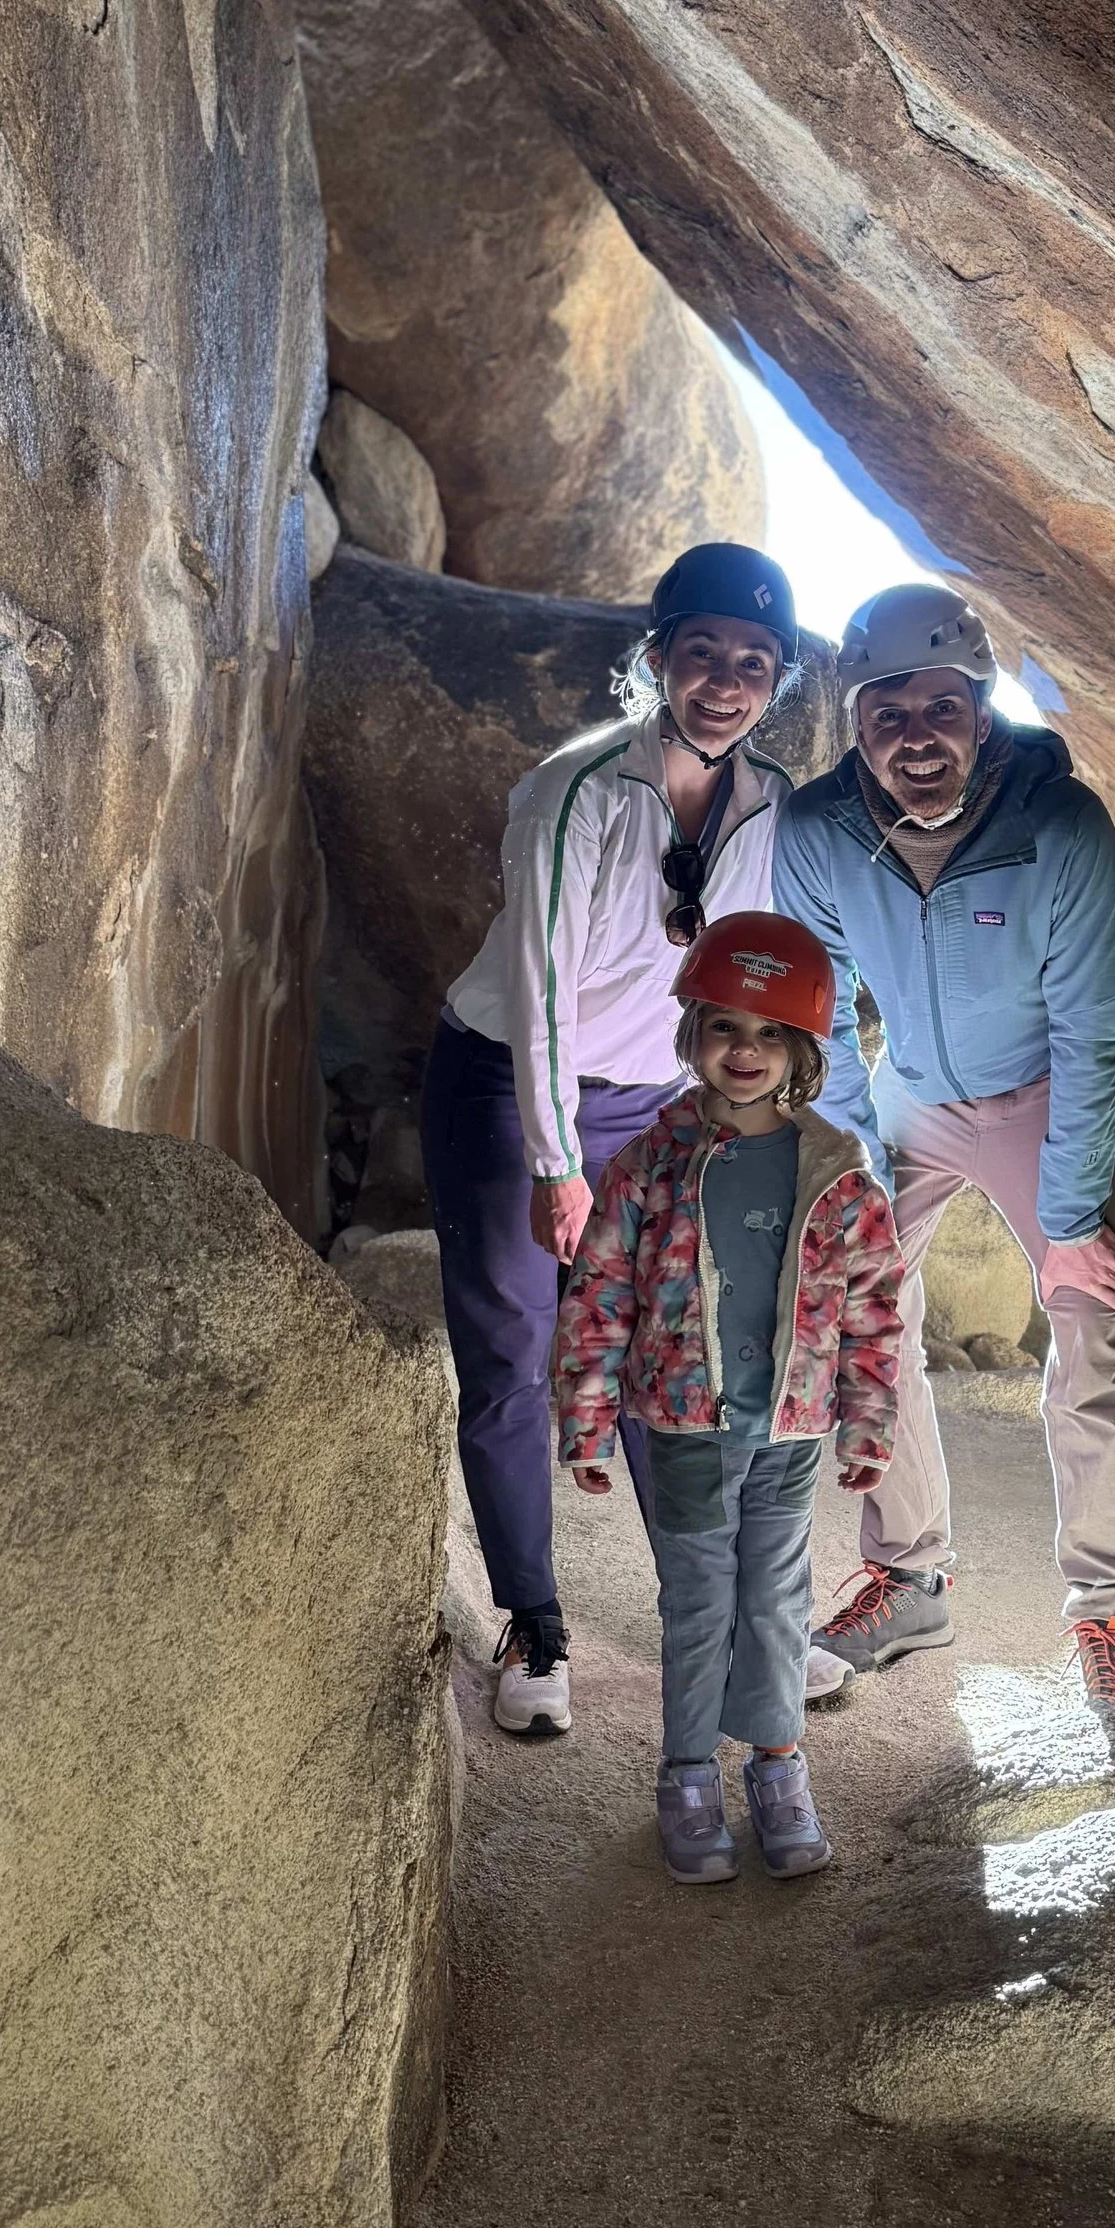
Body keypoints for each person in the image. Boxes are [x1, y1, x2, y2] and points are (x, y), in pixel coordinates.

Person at [424, 545, 799, 1741]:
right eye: (703, 654)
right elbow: (541, 992)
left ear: (772, 682)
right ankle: (532, 1626)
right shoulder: (574, 793)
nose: (726, 681)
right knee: (512, 1353)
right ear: (657, 660)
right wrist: (553, 1164)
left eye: (752, 663)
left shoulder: (769, 806)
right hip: (509, 1083)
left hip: (647, 1103)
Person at [770, 583, 1115, 1711]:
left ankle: (1105, 1611)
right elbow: (820, 1009)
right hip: (914, 1099)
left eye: (939, 707)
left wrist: (1076, 1223)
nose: (914, 737)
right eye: (885, 714)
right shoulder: (817, 834)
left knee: (1088, 1340)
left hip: (1052, 1095)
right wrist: (851, 1166)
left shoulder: (1061, 831)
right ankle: (907, 1578)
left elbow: (1093, 1033)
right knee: (855, 1298)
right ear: (855, 725)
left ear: (980, 711)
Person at [552, 911, 902, 1884]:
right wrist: (586, 1416)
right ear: (692, 1033)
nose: (743, 1052)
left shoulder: (836, 1172)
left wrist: (868, 1418)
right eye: (724, 1029)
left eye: (768, 1034)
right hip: (686, 1425)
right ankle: (688, 1773)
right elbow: (600, 1291)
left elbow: (875, 1306)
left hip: (787, 1429)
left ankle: (779, 1766)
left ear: (801, 1049)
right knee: (700, 1596)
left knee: (778, 1596)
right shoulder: (650, 1165)